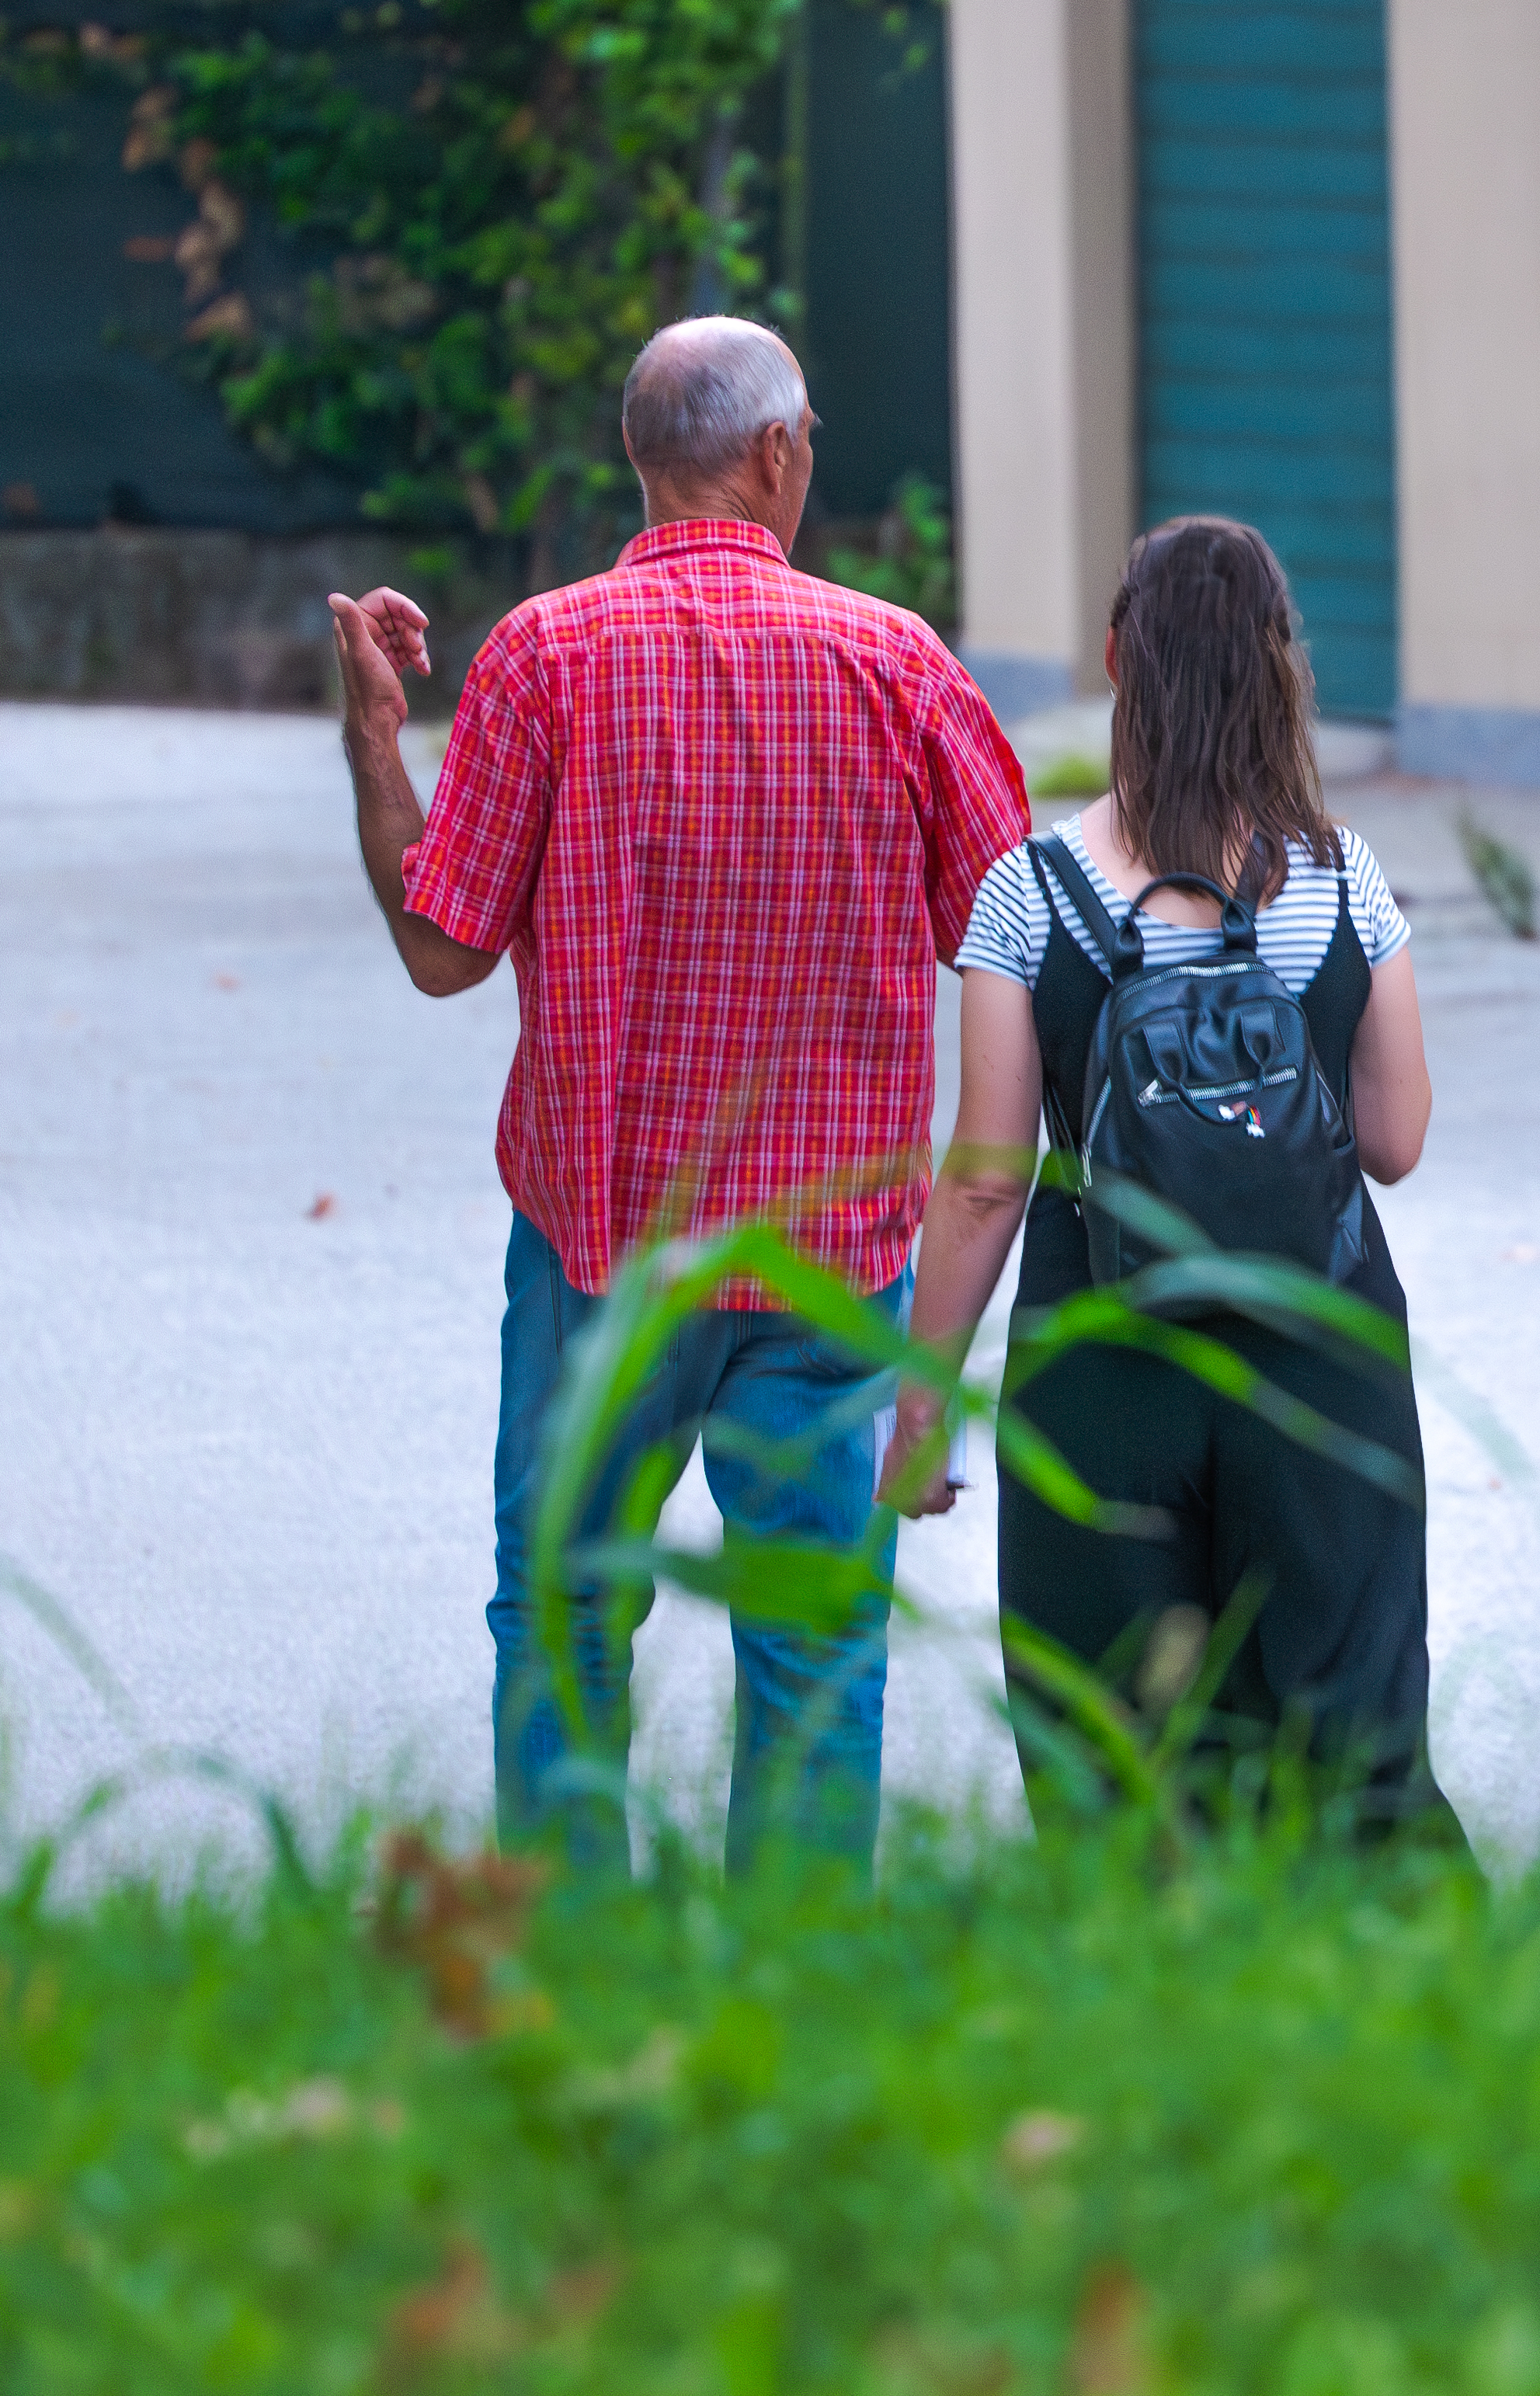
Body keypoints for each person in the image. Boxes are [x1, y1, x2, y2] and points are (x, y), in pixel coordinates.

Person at [331, 316, 1030, 1878]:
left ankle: (573, 1992)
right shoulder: (899, 663)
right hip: (833, 1263)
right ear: (778, 454)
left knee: (566, 1611)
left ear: (640, 460)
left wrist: (379, 741)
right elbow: (1015, 939)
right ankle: (784, 2002)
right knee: (812, 1641)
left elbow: (443, 948)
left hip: (601, 1257)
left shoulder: (538, 656)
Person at [902, 516, 1464, 1848]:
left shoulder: (1026, 894)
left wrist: (921, 1404)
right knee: (1354, 1756)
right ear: (1284, 669)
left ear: (1115, 661)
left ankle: (1140, 2040)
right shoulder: (1342, 874)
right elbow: (1393, 1138)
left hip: (1105, 1361)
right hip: (1320, 1364)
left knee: (1114, 1771)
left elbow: (984, 1183)